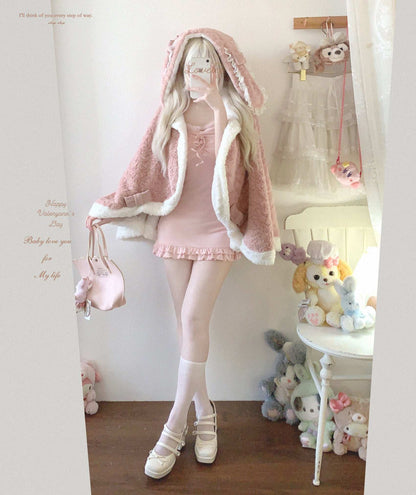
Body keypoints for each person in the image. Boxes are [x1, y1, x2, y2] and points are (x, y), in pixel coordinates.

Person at [85, 28, 280, 480]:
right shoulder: (169, 112)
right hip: (175, 227)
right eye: (192, 63)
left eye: (207, 62)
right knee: (183, 324)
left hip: (217, 232)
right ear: (179, 67)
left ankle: (173, 429)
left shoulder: (237, 114)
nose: (198, 71)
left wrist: (218, 107)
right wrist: (108, 209)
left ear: (221, 67)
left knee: (193, 319)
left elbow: (247, 176)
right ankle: (205, 413)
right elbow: (142, 171)